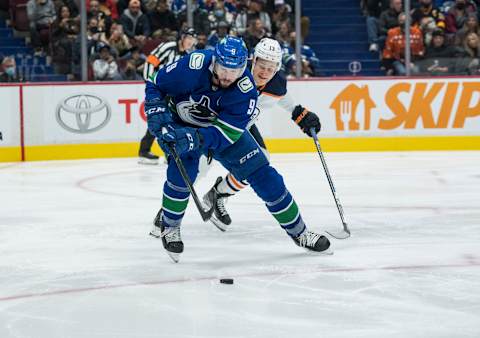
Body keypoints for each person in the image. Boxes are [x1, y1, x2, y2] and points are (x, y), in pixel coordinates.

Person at [144, 36, 331, 262]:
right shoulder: (194, 64)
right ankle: (170, 224)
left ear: (243, 67)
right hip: (182, 124)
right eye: (223, 69)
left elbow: (227, 134)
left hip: (217, 132)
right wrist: (156, 110)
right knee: (185, 172)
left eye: (233, 72)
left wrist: (195, 139)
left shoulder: (246, 90)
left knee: (264, 173)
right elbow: (155, 82)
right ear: (215, 62)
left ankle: (300, 233)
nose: (226, 77)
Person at [202, 37, 321, 231]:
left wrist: (301, 115)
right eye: (262, 65)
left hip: (242, 129)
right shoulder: (234, 73)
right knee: (198, 167)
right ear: (253, 60)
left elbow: (286, 101)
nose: (265, 72)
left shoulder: (276, 84)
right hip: (214, 126)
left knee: (260, 161)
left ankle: (217, 195)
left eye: (271, 67)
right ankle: (167, 215)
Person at [138, 28, 198, 164]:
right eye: (188, 38)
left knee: (174, 120)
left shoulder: (190, 55)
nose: (190, 42)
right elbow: (150, 61)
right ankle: (144, 151)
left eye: (193, 39)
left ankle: (170, 151)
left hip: (175, 92)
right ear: (182, 38)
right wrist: (150, 83)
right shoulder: (168, 47)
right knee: (158, 118)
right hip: (159, 89)